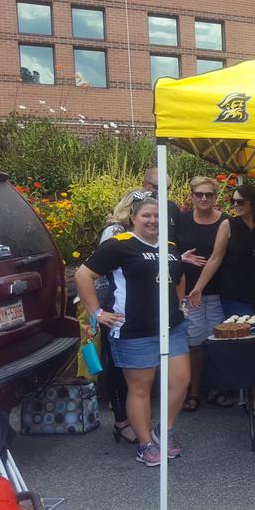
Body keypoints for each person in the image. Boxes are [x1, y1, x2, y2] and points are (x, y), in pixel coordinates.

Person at [74, 195, 190, 467]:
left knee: (181, 380)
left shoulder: (171, 246)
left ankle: (165, 431)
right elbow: (83, 275)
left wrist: (180, 302)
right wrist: (97, 312)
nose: (153, 221)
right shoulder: (119, 245)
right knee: (140, 389)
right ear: (134, 218)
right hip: (133, 329)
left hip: (171, 326)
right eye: (146, 216)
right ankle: (145, 443)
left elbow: (179, 275)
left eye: (158, 216)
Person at [188, 185, 255, 417]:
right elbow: (215, 258)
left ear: (253, 203)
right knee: (246, 344)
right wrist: (198, 288)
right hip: (235, 294)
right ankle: (253, 396)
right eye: (233, 201)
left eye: (240, 202)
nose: (235, 206)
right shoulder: (228, 225)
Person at [175, 177, 232, 411]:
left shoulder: (226, 221)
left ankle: (217, 389)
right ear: (192, 196)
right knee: (194, 344)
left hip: (219, 291)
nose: (204, 198)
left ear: (215, 196)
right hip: (189, 293)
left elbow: (221, 256)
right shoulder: (182, 220)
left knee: (217, 342)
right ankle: (194, 392)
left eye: (208, 194)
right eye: (199, 194)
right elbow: (169, 251)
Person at [96, 189, 143, 445]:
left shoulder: (143, 234)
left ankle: (133, 418)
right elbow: (98, 273)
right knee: (116, 366)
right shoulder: (115, 232)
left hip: (135, 308)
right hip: (114, 307)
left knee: (133, 369)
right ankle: (121, 421)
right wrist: (100, 310)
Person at [142, 167, 180, 239]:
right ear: (144, 184)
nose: (164, 191)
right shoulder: (135, 205)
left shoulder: (172, 207)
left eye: (168, 188)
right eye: (158, 187)